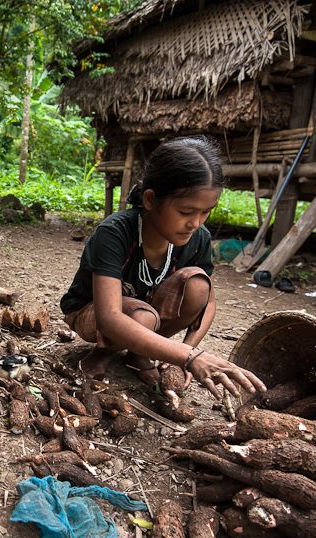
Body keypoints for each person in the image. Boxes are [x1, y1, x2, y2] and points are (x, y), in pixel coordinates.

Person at [60, 136, 264, 398]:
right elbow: (110, 318)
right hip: (92, 313)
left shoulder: (197, 238)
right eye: (185, 212)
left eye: (205, 212)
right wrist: (190, 356)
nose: (195, 223)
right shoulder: (115, 233)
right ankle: (102, 353)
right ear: (150, 199)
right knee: (142, 316)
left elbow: (208, 303)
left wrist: (185, 353)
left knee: (198, 285)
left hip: (145, 312)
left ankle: (139, 353)